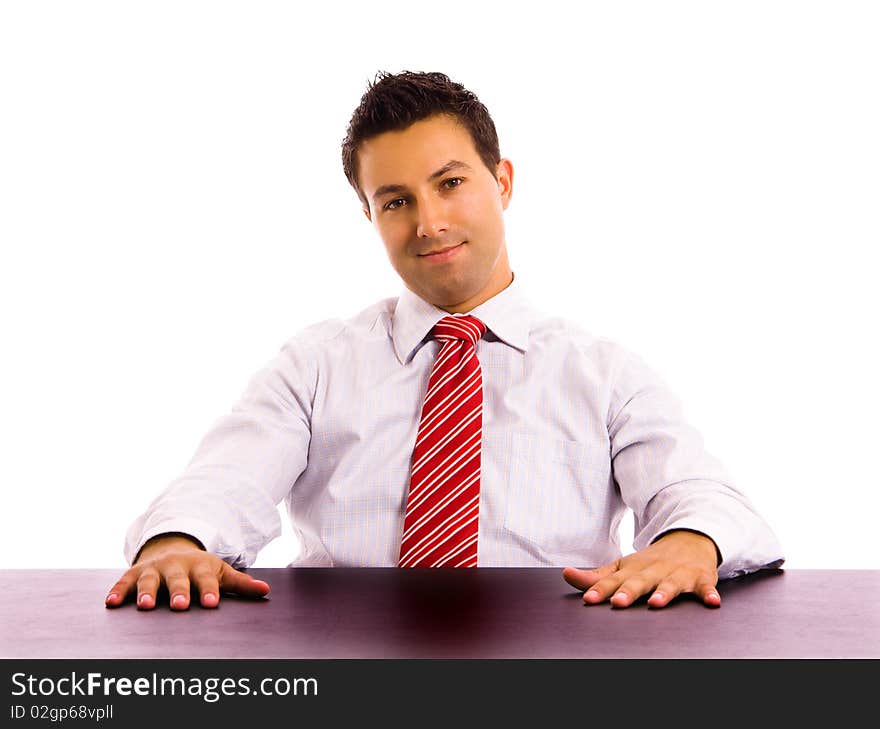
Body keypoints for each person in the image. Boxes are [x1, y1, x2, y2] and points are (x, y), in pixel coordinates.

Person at [106, 70, 784, 613]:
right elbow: (222, 483)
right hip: (344, 675)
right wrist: (176, 542)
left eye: (451, 184)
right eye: (396, 201)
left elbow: (705, 495)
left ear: (504, 182)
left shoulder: (604, 373)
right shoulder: (315, 367)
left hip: (550, 676)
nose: (429, 223)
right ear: (370, 216)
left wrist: (691, 542)